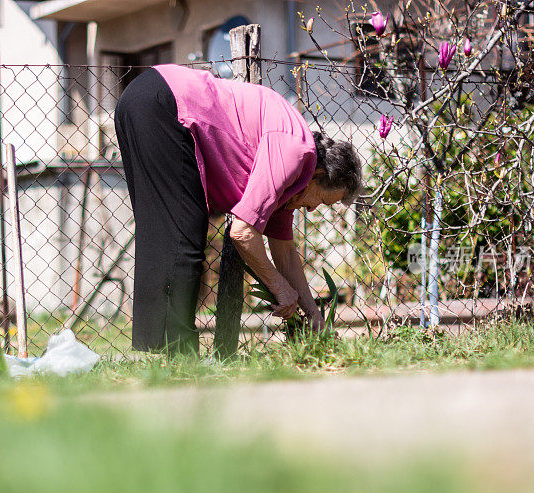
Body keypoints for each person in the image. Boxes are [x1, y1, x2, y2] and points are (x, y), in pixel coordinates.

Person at [115, 64, 362, 354]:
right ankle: (178, 359)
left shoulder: (292, 183)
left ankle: (168, 356)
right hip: (164, 105)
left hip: (148, 99)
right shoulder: (295, 151)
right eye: (321, 201)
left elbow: (285, 254)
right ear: (319, 175)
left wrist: (315, 318)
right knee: (181, 237)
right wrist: (281, 289)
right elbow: (243, 232)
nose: (311, 210)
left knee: (171, 233)